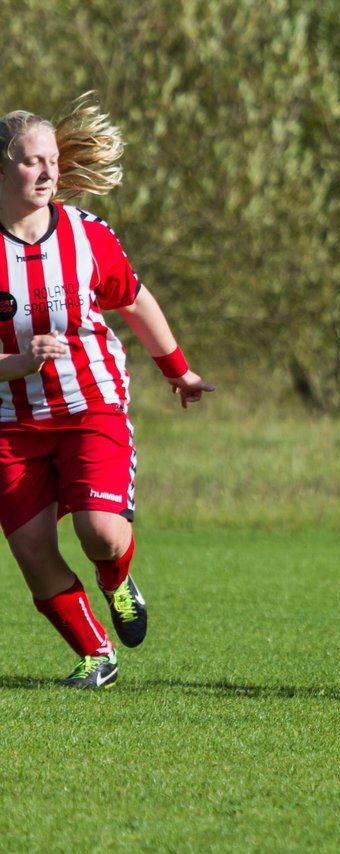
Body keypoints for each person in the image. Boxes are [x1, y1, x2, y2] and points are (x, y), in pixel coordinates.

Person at [0, 96, 214, 689]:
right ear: (1, 168)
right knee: (33, 551)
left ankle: (117, 581)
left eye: (51, 161)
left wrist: (179, 370)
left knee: (100, 531)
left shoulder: (85, 235)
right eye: (29, 161)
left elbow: (135, 300)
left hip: (91, 406)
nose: (45, 172)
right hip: (10, 426)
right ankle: (97, 657)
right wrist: (14, 364)